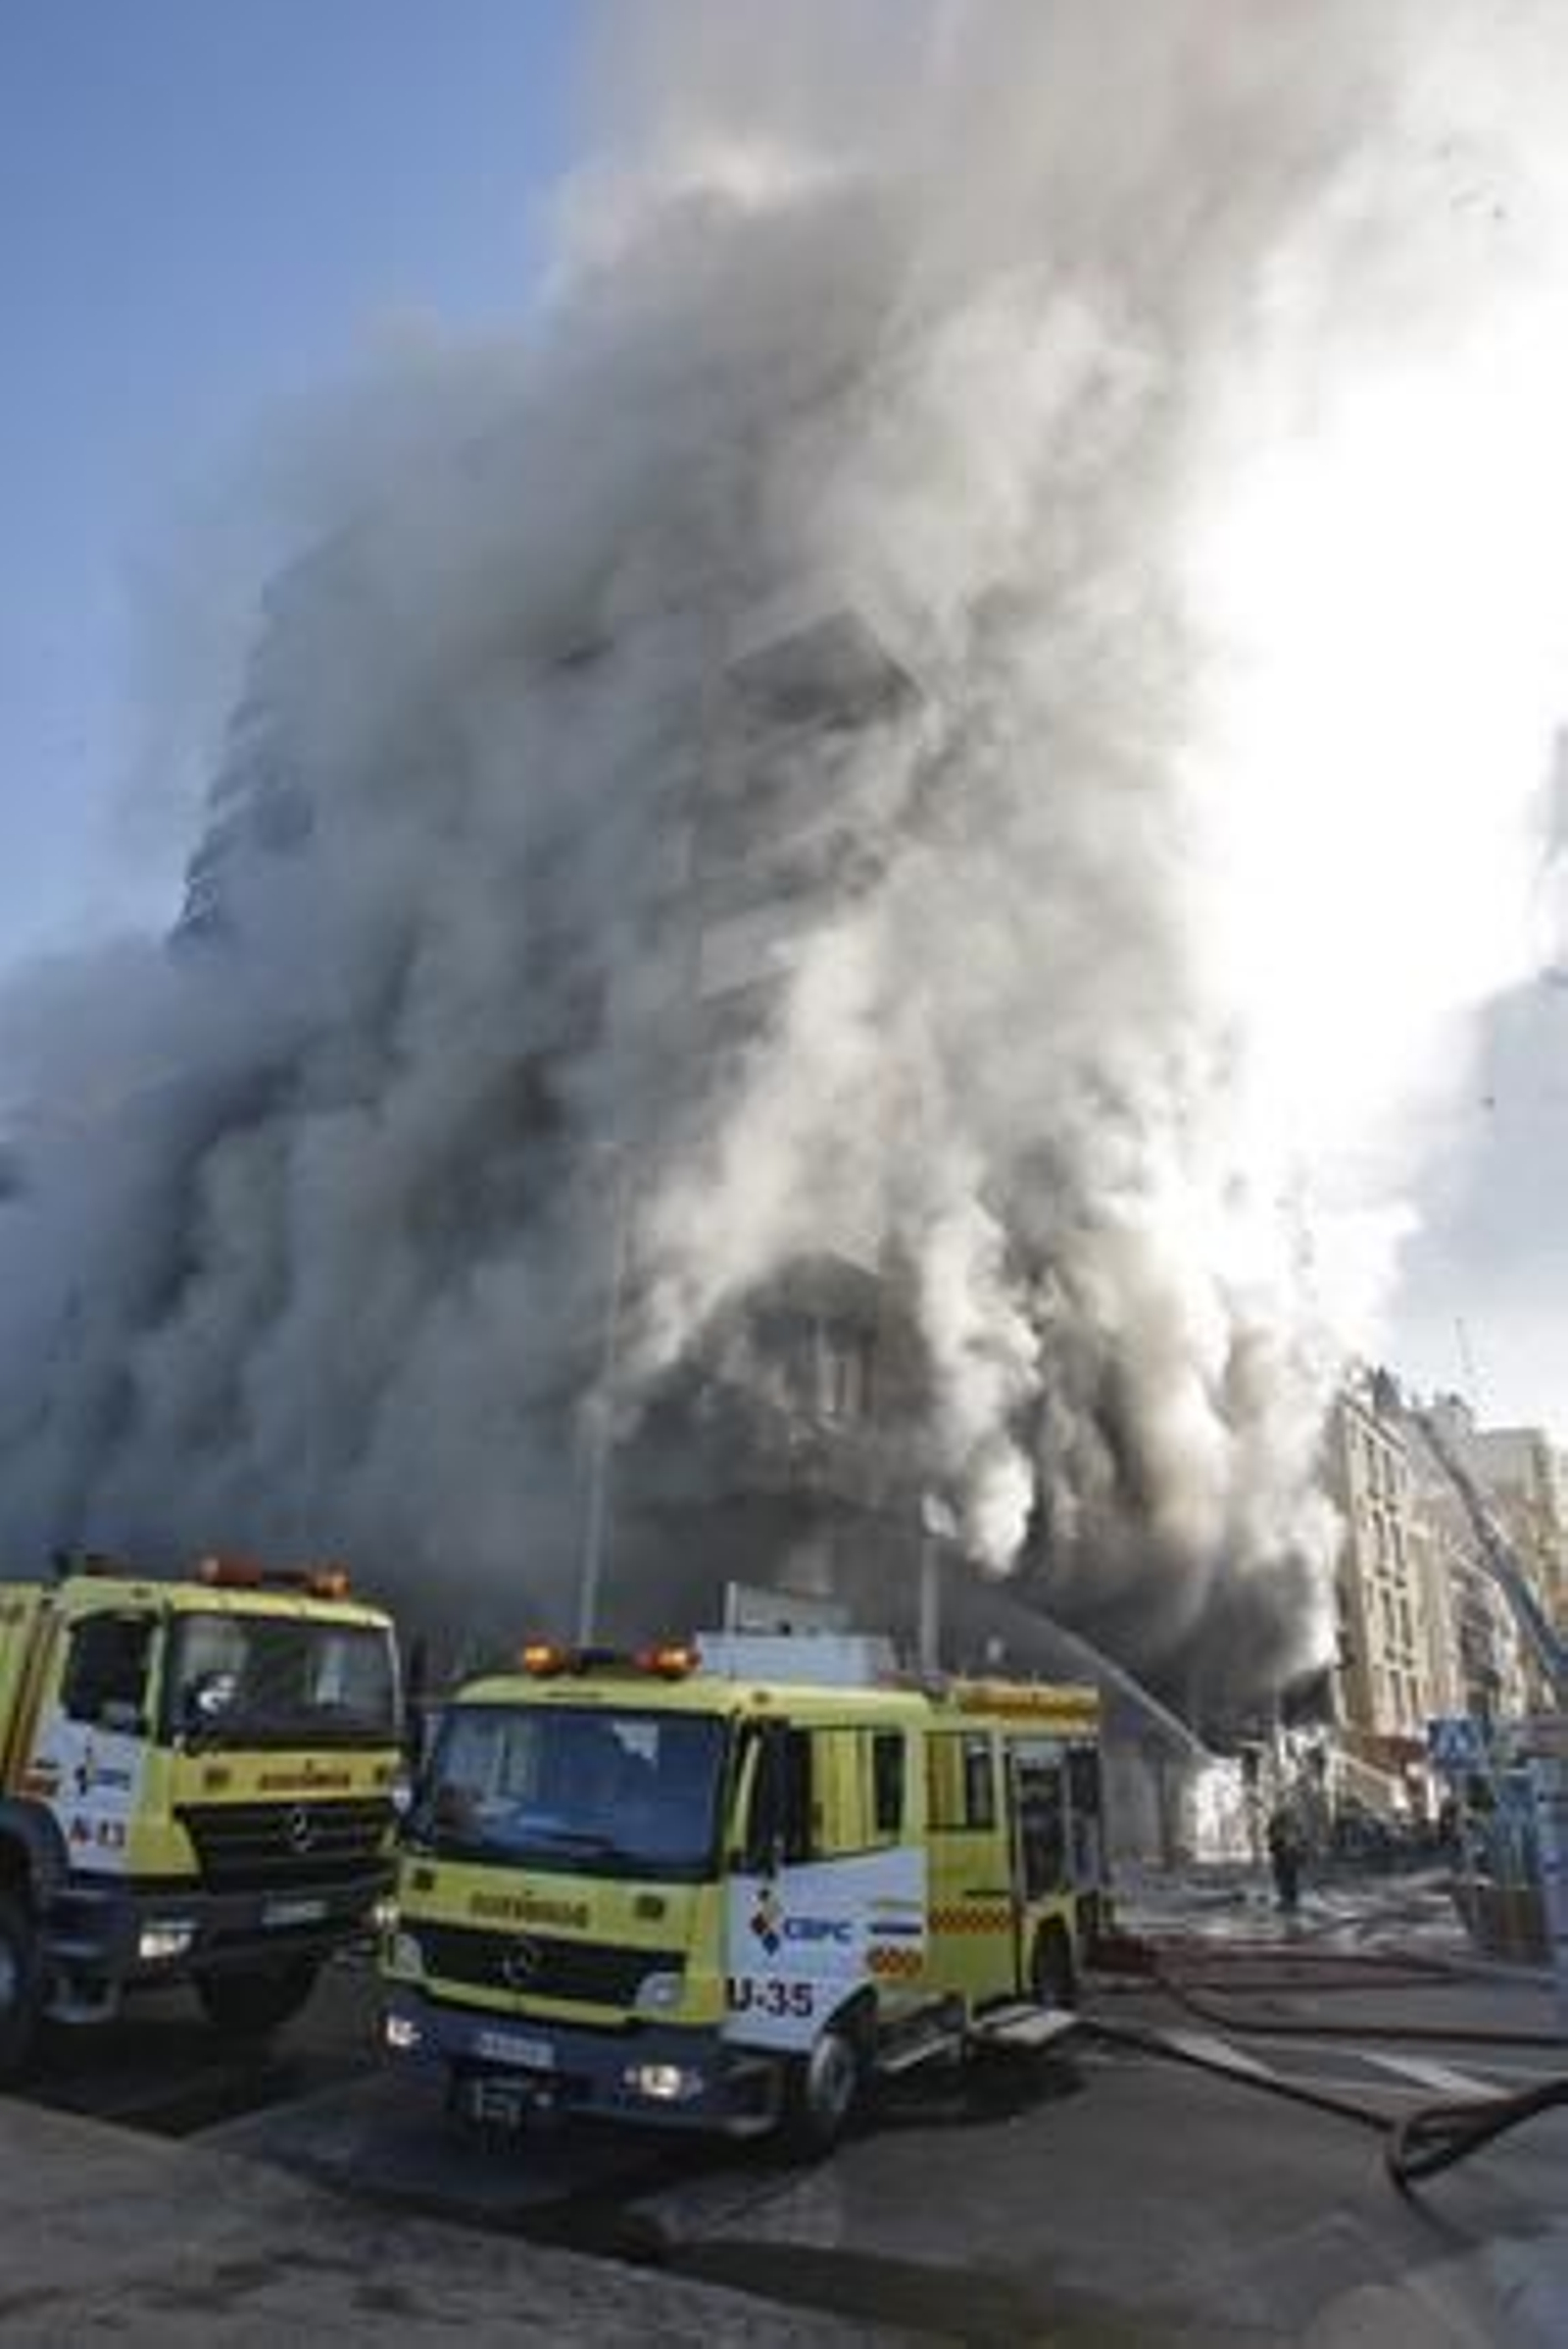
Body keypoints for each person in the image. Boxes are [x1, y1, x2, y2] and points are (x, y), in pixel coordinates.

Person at [1266, 1802, 1304, 1913]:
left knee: (1287, 1877)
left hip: (1288, 1855)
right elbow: (1270, 1835)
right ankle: (1287, 1900)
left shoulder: (1292, 1824)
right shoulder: (1276, 1823)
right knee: (1283, 1877)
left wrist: (1296, 1850)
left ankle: (1289, 1901)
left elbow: (1298, 1838)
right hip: (1281, 1854)